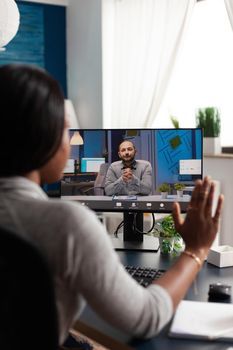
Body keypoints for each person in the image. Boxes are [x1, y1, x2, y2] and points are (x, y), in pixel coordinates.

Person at [0, 64, 224, 346]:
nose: (69, 143)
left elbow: (144, 190)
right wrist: (196, 249)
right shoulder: (69, 223)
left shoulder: (144, 166)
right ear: (41, 136)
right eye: (65, 130)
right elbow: (146, 317)